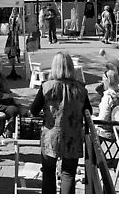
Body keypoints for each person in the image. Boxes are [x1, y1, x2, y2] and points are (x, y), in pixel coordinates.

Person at [30, 52, 92, 194]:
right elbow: (88, 112)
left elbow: (33, 110)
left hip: (51, 135)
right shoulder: (81, 89)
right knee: (69, 173)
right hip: (73, 135)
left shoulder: (46, 86)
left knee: (48, 171)